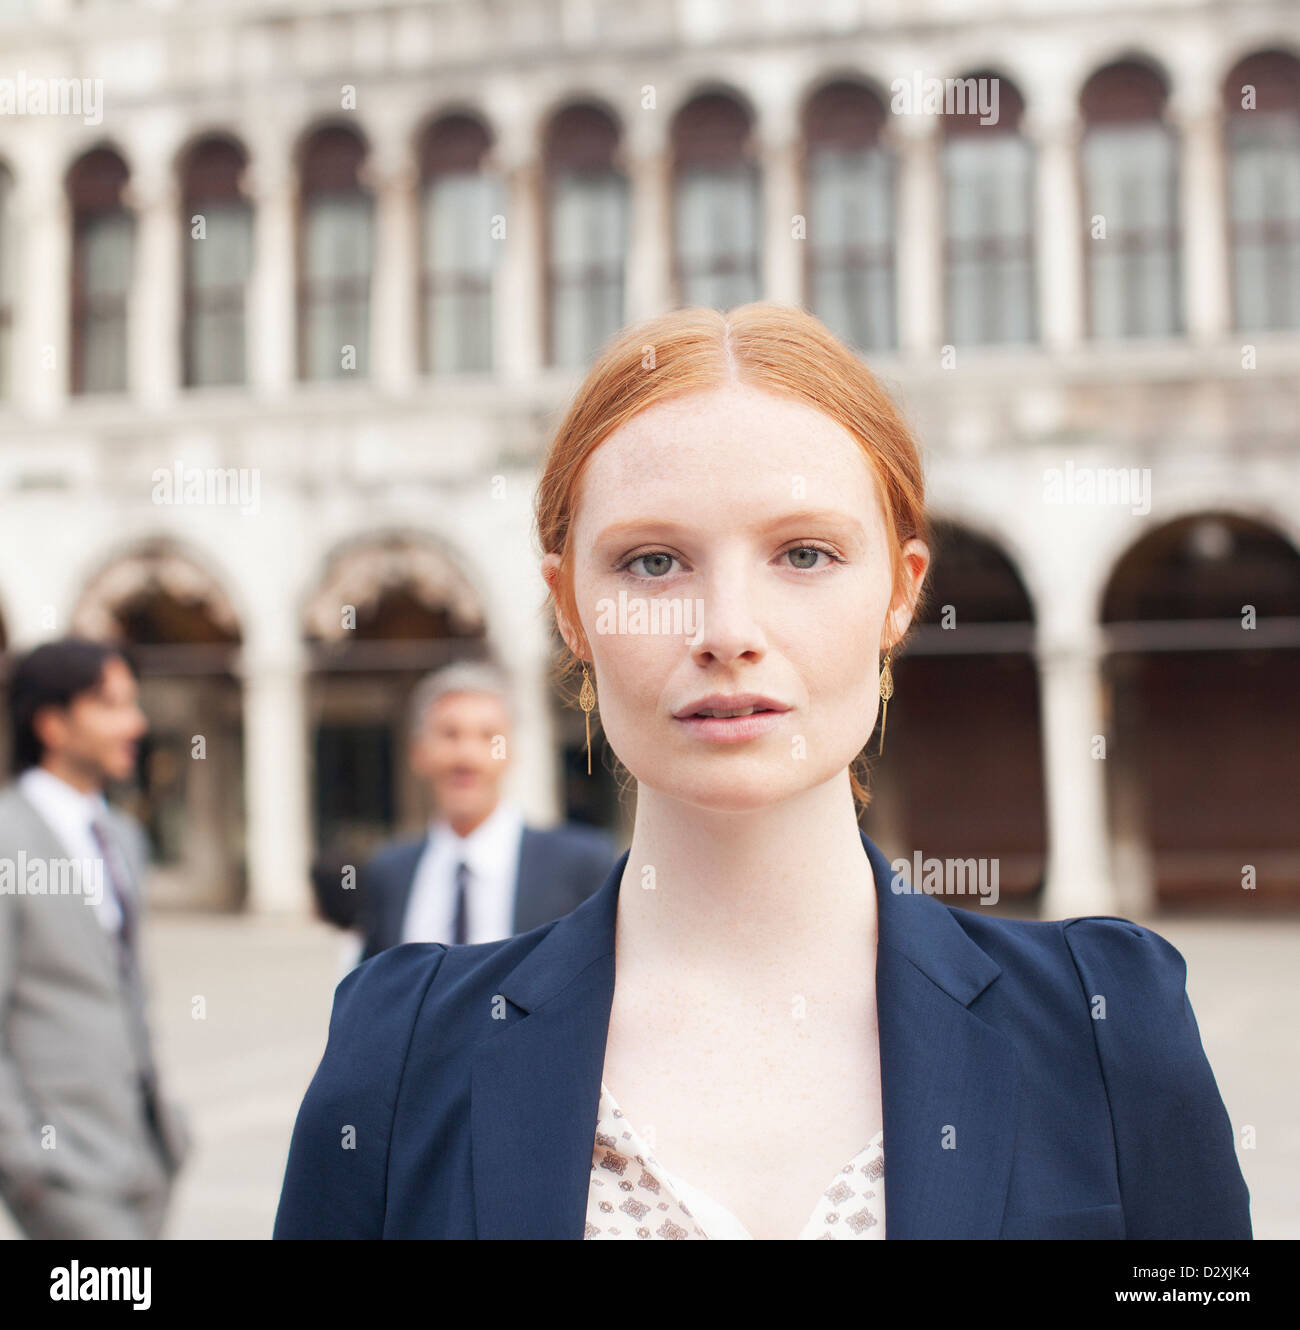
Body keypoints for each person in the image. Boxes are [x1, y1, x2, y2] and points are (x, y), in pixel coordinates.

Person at [274, 303, 1251, 1240]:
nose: (727, 631)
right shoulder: (398, 1055)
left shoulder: (1108, 1028)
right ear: (568, 605)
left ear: (901, 593)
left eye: (805, 552)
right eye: (653, 563)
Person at [0, 639, 190, 1239]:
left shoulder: (125, 837)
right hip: (61, 1169)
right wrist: (23, 1157)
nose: (135, 723)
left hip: (146, 1159)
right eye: (110, 705)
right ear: (52, 724)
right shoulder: (6, 839)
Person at [355, 660, 618, 963]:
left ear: (510, 752)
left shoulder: (581, 864)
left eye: (487, 737)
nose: (466, 756)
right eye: (449, 735)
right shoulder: (389, 873)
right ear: (419, 752)